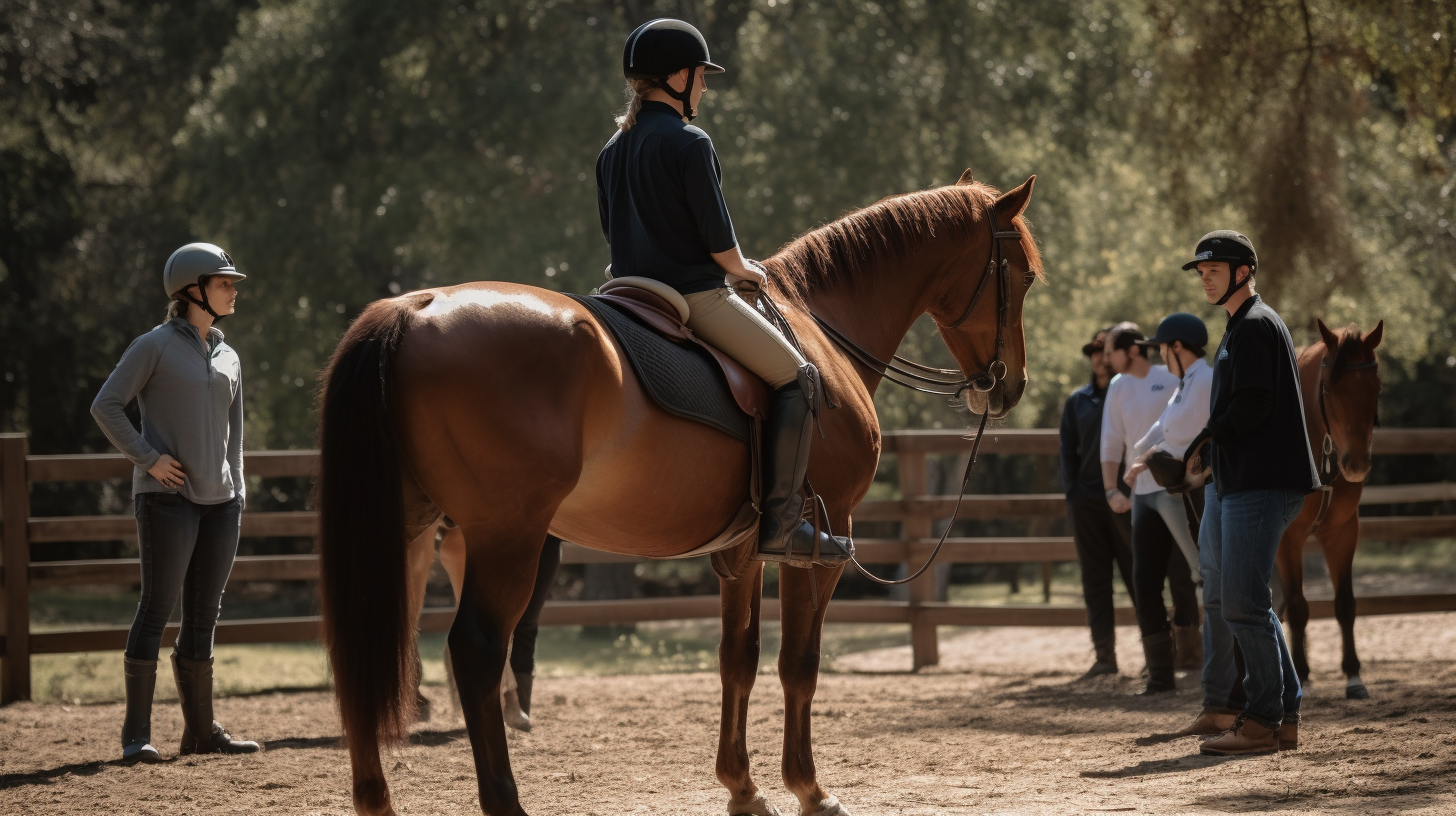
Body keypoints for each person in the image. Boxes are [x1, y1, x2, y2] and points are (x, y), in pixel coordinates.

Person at [597, 18, 850, 566]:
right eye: (701, 77)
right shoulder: (690, 142)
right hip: (692, 297)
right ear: (679, 77)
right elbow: (718, 243)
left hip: (621, 294)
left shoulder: (611, 150)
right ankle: (783, 526)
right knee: (800, 379)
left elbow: (612, 231)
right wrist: (746, 271)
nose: (705, 88)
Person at [91, 243, 259, 761]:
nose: (233, 289)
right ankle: (136, 736)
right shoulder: (154, 345)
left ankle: (201, 733)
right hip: (167, 499)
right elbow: (107, 405)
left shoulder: (228, 353)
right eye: (224, 282)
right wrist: (148, 458)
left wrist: (238, 488)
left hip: (220, 502)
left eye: (232, 282)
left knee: (204, 617)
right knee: (156, 610)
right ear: (192, 290)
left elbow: (236, 431)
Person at [1172, 231, 1319, 756]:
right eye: (1201, 270)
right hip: (1247, 481)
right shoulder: (1241, 327)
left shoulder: (1255, 326)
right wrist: (1211, 454)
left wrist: (1208, 437)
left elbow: (1255, 403)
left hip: (1262, 484)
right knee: (1247, 603)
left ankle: (1261, 719)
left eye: (1214, 268)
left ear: (1242, 272)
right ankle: (1282, 716)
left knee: (1242, 603)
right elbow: (1249, 407)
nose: (1205, 276)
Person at [1099, 324, 1199, 694]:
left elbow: (1186, 426)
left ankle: (1208, 660)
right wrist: (1112, 488)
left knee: (1198, 571)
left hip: (1175, 491)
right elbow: (1110, 441)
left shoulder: (1170, 378)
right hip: (1142, 495)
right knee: (1145, 580)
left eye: (1111, 351)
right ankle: (1160, 674)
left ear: (1132, 351)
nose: (1106, 359)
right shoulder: (1117, 388)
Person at [1121, 314, 1212, 684]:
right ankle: (1162, 673)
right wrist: (1141, 457)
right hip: (1175, 486)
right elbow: (1164, 426)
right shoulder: (1185, 382)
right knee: (1153, 576)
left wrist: (1146, 459)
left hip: (1198, 490)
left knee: (1206, 574)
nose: (1158, 354)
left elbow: (1187, 433)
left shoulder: (1204, 380)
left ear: (1177, 347)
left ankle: (1219, 665)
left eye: (1162, 346)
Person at [1058, 327, 1136, 678]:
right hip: (1087, 501)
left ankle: (1157, 651)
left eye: (1103, 351)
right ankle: (1105, 656)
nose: (1098, 358)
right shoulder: (1077, 402)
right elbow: (1067, 452)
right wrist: (1073, 493)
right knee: (1095, 578)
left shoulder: (1128, 394)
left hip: (1127, 499)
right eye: (1093, 351)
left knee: (1138, 574)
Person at [438, 520, 562, 731]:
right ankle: (499, 700)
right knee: (487, 613)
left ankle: (518, 704)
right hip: (488, 525)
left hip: (545, 530)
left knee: (527, 619)